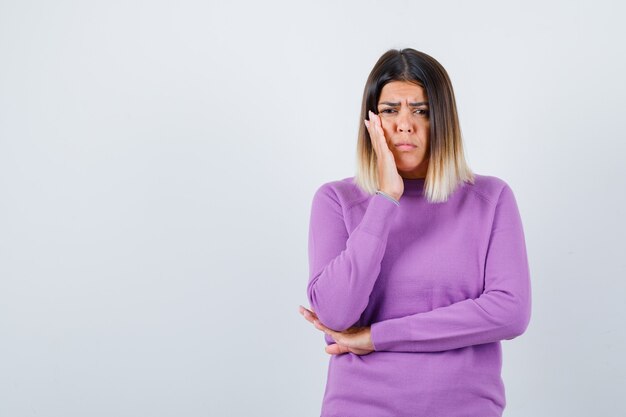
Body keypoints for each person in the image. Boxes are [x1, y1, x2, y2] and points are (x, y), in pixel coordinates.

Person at [298, 48, 532, 417]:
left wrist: (377, 337)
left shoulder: (490, 198)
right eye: (390, 110)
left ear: (444, 121)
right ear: (371, 120)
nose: (404, 125)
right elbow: (336, 315)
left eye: (421, 111)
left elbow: (510, 312)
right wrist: (385, 198)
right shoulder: (336, 200)